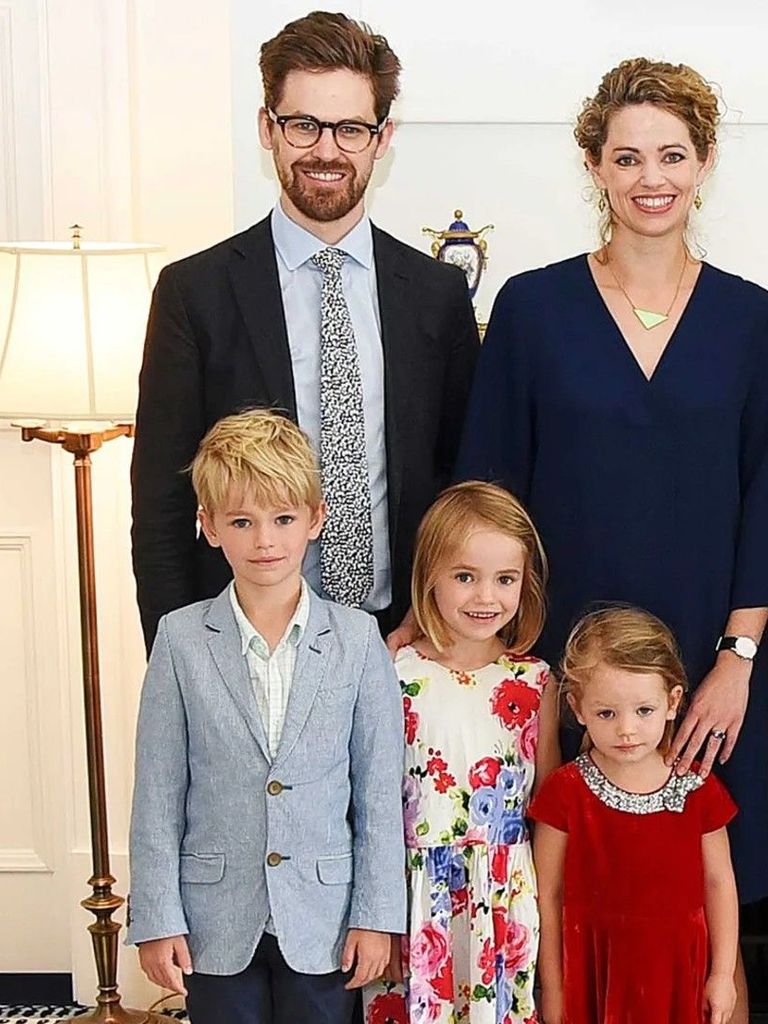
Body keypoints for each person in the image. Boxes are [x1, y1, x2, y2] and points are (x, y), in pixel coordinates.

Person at [454, 59, 768, 1016]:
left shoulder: (753, 318)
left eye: (671, 154)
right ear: (594, 166)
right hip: (563, 674)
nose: (650, 178)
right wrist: (504, 661)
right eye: (626, 157)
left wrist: (737, 660)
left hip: (710, 672)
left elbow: (767, 495)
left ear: (704, 162)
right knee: (567, 913)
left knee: (712, 924)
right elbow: (486, 496)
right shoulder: (532, 309)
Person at [130, 10, 480, 653]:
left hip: (402, 638)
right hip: (242, 642)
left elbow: (462, 482)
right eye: (304, 125)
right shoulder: (194, 293)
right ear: (268, 129)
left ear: (381, 138)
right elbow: (160, 505)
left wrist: (436, 620)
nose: (326, 150)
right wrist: (182, 656)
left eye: (350, 129)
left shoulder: (437, 295)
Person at [127, 409, 406, 1024]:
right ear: (209, 526)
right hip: (214, 920)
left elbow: (380, 794)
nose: (265, 541)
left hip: (325, 918)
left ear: (315, 519)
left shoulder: (358, 640)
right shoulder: (180, 640)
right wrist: (156, 917)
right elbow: (158, 793)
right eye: (242, 522)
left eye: (283, 519)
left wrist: (377, 915)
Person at [364, 481, 560, 1024]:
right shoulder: (394, 671)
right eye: (465, 577)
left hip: (503, 899)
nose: (485, 597)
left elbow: (548, 805)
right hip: (413, 899)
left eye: (505, 579)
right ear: (429, 576)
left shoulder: (535, 681)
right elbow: (371, 799)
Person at [530, 606, 739, 1024]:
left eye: (643, 710)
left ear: (672, 702)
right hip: (593, 975)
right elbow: (547, 894)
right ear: (578, 708)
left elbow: (719, 883)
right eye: (606, 713)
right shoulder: (564, 793)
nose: (626, 729)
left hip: (678, 976)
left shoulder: (698, 790)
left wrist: (722, 975)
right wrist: (552, 987)